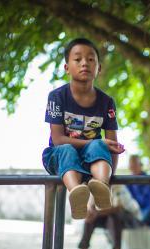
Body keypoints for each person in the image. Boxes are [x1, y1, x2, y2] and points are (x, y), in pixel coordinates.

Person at [41, 38, 124, 219]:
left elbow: (112, 145)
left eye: (91, 59)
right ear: (67, 68)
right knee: (67, 149)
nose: (85, 63)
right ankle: (76, 192)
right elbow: (57, 139)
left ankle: (100, 184)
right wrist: (97, 142)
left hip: (91, 160)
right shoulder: (57, 97)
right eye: (77, 59)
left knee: (98, 145)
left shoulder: (106, 102)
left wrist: (110, 179)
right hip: (61, 159)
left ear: (99, 68)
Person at [71, 186, 142, 249]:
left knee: (113, 217)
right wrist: (91, 213)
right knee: (90, 220)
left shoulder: (119, 188)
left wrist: (96, 213)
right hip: (106, 215)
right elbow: (92, 207)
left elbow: (118, 208)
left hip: (128, 218)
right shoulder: (96, 187)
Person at [126, 154, 150, 227]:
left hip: (149, 214)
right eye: (131, 165)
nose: (133, 167)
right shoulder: (127, 183)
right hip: (135, 214)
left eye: (135, 164)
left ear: (140, 165)